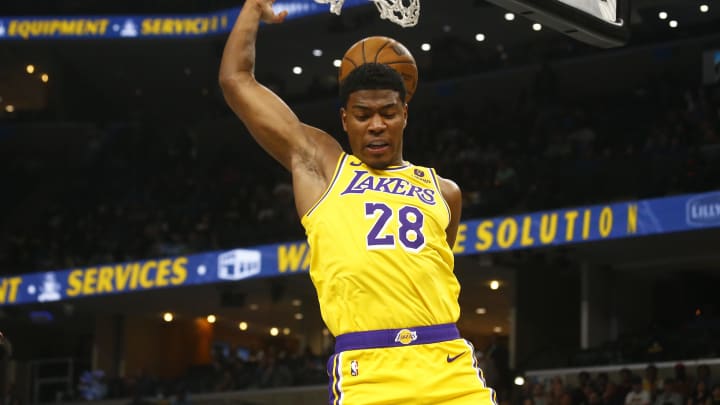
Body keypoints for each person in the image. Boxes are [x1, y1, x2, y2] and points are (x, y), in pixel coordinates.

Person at [218, 0, 496, 403]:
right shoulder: (323, 167)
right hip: (368, 370)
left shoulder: (446, 192)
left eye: (388, 112)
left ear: (405, 114)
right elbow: (236, 81)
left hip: (449, 366)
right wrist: (251, 9)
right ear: (345, 118)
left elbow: (431, 268)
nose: (377, 124)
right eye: (363, 115)